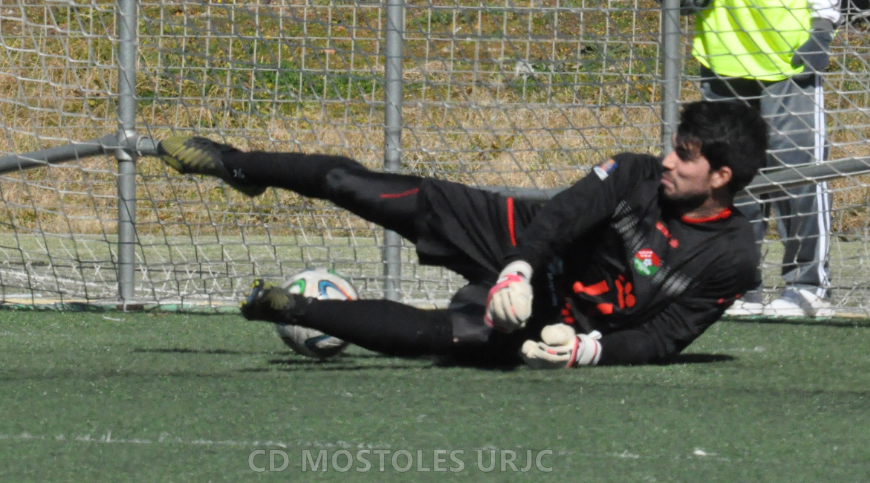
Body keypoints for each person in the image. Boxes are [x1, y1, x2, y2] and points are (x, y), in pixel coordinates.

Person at [157, 100, 768, 368]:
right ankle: (239, 166)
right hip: (520, 243)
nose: (667, 160)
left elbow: (665, 338)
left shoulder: (732, 258)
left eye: (684, 157)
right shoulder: (635, 172)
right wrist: (519, 267)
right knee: (353, 184)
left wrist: (588, 350)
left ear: (720, 176)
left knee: (451, 336)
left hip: (560, 316)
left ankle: (296, 309)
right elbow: (562, 216)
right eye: (672, 146)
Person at [676, 0, 843, 317]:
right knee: (728, 175)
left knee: (797, 170)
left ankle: (807, 286)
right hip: (723, 49)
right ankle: (739, 284)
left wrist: (822, 27)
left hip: (789, 54)